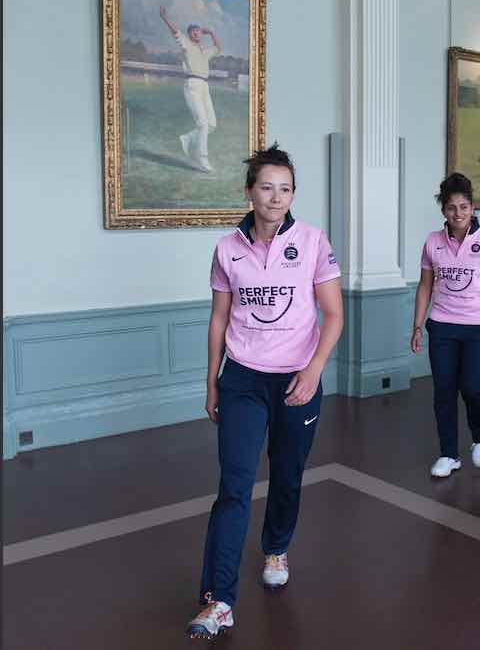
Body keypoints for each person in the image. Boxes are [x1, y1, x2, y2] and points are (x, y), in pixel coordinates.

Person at [187, 146, 343, 639]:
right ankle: (219, 600)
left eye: (286, 188)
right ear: (249, 192)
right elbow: (218, 317)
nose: (276, 197)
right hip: (243, 380)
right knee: (233, 487)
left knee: (288, 475)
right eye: (267, 187)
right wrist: (213, 378)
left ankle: (276, 546)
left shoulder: (314, 241)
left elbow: (333, 314)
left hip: (298, 379)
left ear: (293, 194)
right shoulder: (227, 247)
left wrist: (315, 369)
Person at [412, 173, 480, 477]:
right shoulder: (433, 242)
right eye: (451, 208)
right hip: (443, 326)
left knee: (473, 387)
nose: (458, 214)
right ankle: (448, 454)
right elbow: (424, 286)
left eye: (464, 207)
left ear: (473, 207)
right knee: (443, 391)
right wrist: (417, 325)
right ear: (443, 210)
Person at [159, 5, 220, 173]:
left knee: (212, 124)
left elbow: (218, 48)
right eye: (194, 31)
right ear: (190, 34)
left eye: (199, 31)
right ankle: (203, 159)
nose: (196, 33)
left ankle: (187, 138)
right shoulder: (186, 43)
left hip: (205, 87)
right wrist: (165, 18)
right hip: (192, 85)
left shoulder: (204, 51)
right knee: (203, 124)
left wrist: (212, 33)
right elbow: (175, 32)